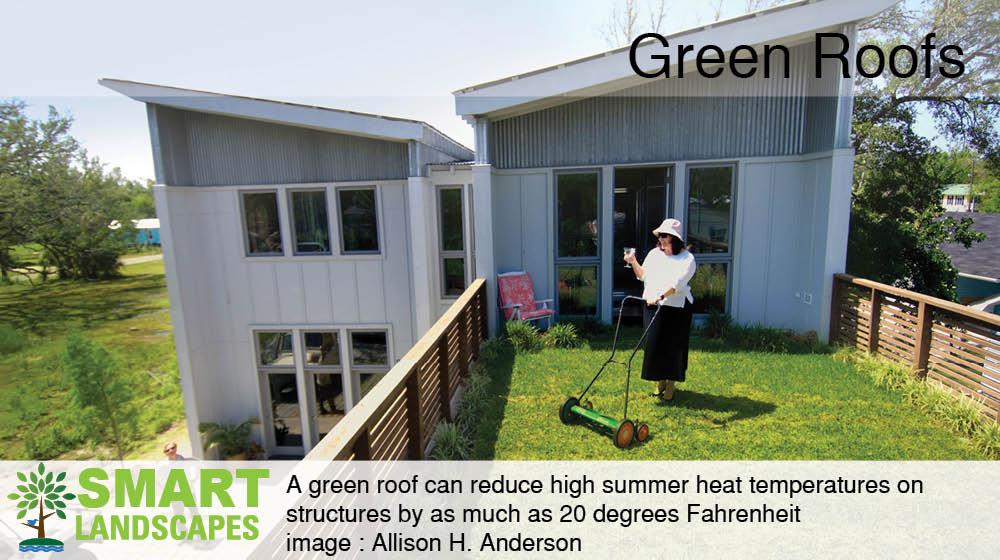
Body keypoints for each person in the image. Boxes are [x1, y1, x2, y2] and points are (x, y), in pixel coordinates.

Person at [623, 218, 696, 401]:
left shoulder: (687, 259)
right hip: (652, 305)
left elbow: (677, 284)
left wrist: (661, 296)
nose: (661, 239)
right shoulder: (655, 254)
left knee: (673, 347)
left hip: (676, 308)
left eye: (665, 236)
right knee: (654, 345)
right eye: (660, 236)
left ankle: (670, 386)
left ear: (674, 239)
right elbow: (643, 276)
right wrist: (633, 262)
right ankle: (660, 381)